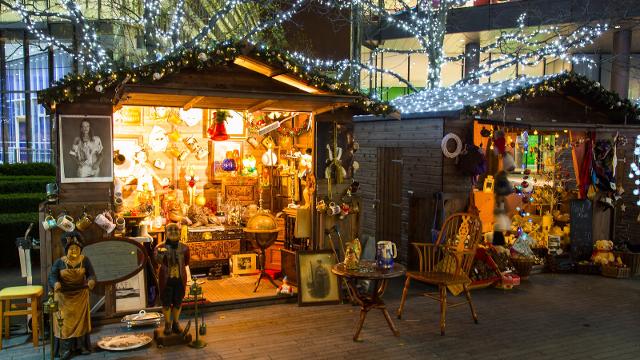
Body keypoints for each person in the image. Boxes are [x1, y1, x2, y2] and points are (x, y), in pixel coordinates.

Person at [48, 232, 96, 360]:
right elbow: (52, 276)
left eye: (76, 249)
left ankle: (81, 346)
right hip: (63, 297)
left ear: (80, 249)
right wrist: (55, 283)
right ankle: (65, 349)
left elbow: (91, 274)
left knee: (81, 323)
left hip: (80, 295)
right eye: (71, 249)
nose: (74, 251)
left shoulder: (85, 260)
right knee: (63, 323)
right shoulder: (59, 262)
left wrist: (91, 280)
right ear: (66, 250)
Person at [155, 223, 190, 335]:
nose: (174, 232)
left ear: (180, 232)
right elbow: (157, 261)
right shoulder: (159, 247)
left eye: (176, 230)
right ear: (166, 232)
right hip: (166, 278)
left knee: (178, 301)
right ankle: (168, 323)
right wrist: (161, 254)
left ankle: (176, 322)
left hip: (179, 278)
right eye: (170, 230)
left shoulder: (185, 247)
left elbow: (186, 262)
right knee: (166, 302)